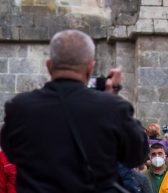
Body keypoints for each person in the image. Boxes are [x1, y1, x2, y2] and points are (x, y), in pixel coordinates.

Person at [0, 30, 148, 193]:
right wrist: (113, 98)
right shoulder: (112, 108)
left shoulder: (20, 108)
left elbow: (11, 153)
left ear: (49, 66)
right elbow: (137, 155)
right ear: (90, 68)